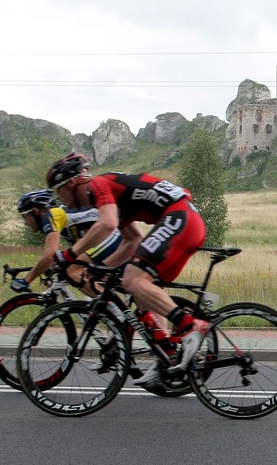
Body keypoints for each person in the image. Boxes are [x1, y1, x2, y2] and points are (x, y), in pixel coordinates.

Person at [46, 153, 208, 382]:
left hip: (179, 216)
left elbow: (107, 224)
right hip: (182, 219)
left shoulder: (98, 185)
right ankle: (167, 358)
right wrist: (99, 268)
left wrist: (70, 254)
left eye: (58, 190)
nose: (58, 197)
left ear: (71, 183)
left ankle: (190, 326)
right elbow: (132, 240)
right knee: (140, 291)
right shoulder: (109, 197)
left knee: (133, 280)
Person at [14, 189, 124, 295]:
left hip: (110, 236)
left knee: (72, 270)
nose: (25, 223)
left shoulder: (50, 216)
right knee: (86, 274)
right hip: (107, 237)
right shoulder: (59, 216)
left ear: (35, 211)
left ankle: (108, 309)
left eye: (24, 216)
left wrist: (26, 280)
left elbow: (50, 255)